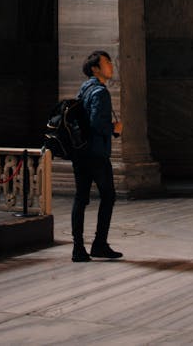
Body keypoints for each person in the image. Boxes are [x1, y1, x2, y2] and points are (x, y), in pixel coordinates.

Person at [71, 50, 123, 262]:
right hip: (96, 154)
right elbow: (97, 124)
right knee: (108, 197)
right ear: (95, 68)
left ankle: (78, 249)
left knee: (81, 199)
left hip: (80, 153)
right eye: (107, 62)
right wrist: (115, 128)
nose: (111, 65)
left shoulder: (85, 88)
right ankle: (99, 244)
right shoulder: (100, 92)